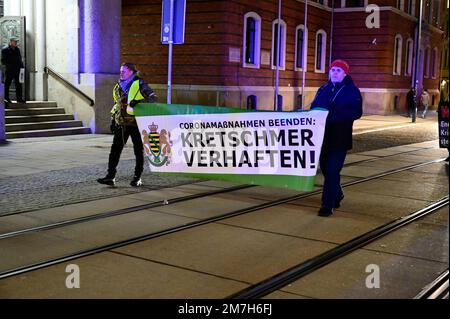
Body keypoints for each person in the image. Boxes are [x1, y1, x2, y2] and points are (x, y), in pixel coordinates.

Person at [310, 59, 363, 217]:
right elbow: (314, 107)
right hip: (323, 138)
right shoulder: (323, 89)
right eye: (332, 70)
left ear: (345, 74)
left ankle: (327, 205)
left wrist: (333, 116)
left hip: (340, 138)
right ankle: (337, 193)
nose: (334, 73)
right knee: (326, 170)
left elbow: (356, 112)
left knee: (332, 171)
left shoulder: (351, 91)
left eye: (338, 71)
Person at [97, 63, 157, 187]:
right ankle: (110, 176)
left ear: (131, 71)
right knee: (115, 150)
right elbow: (117, 104)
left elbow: (153, 98)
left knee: (138, 151)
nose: (121, 73)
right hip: (121, 123)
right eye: (121, 71)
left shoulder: (140, 84)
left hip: (137, 123)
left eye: (124, 71)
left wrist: (139, 102)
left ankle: (137, 177)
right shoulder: (118, 86)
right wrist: (113, 119)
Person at [1, 36, 25, 104]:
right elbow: (3, 61)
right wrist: (10, 65)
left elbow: (19, 59)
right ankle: (6, 98)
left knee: (19, 85)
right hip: (9, 70)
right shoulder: (5, 49)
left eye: (16, 41)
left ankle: (19, 99)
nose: (16, 43)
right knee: (7, 85)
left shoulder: (17, 49)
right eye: (15, 41)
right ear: (11, 41)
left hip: (18, 70)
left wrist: (22, 67)